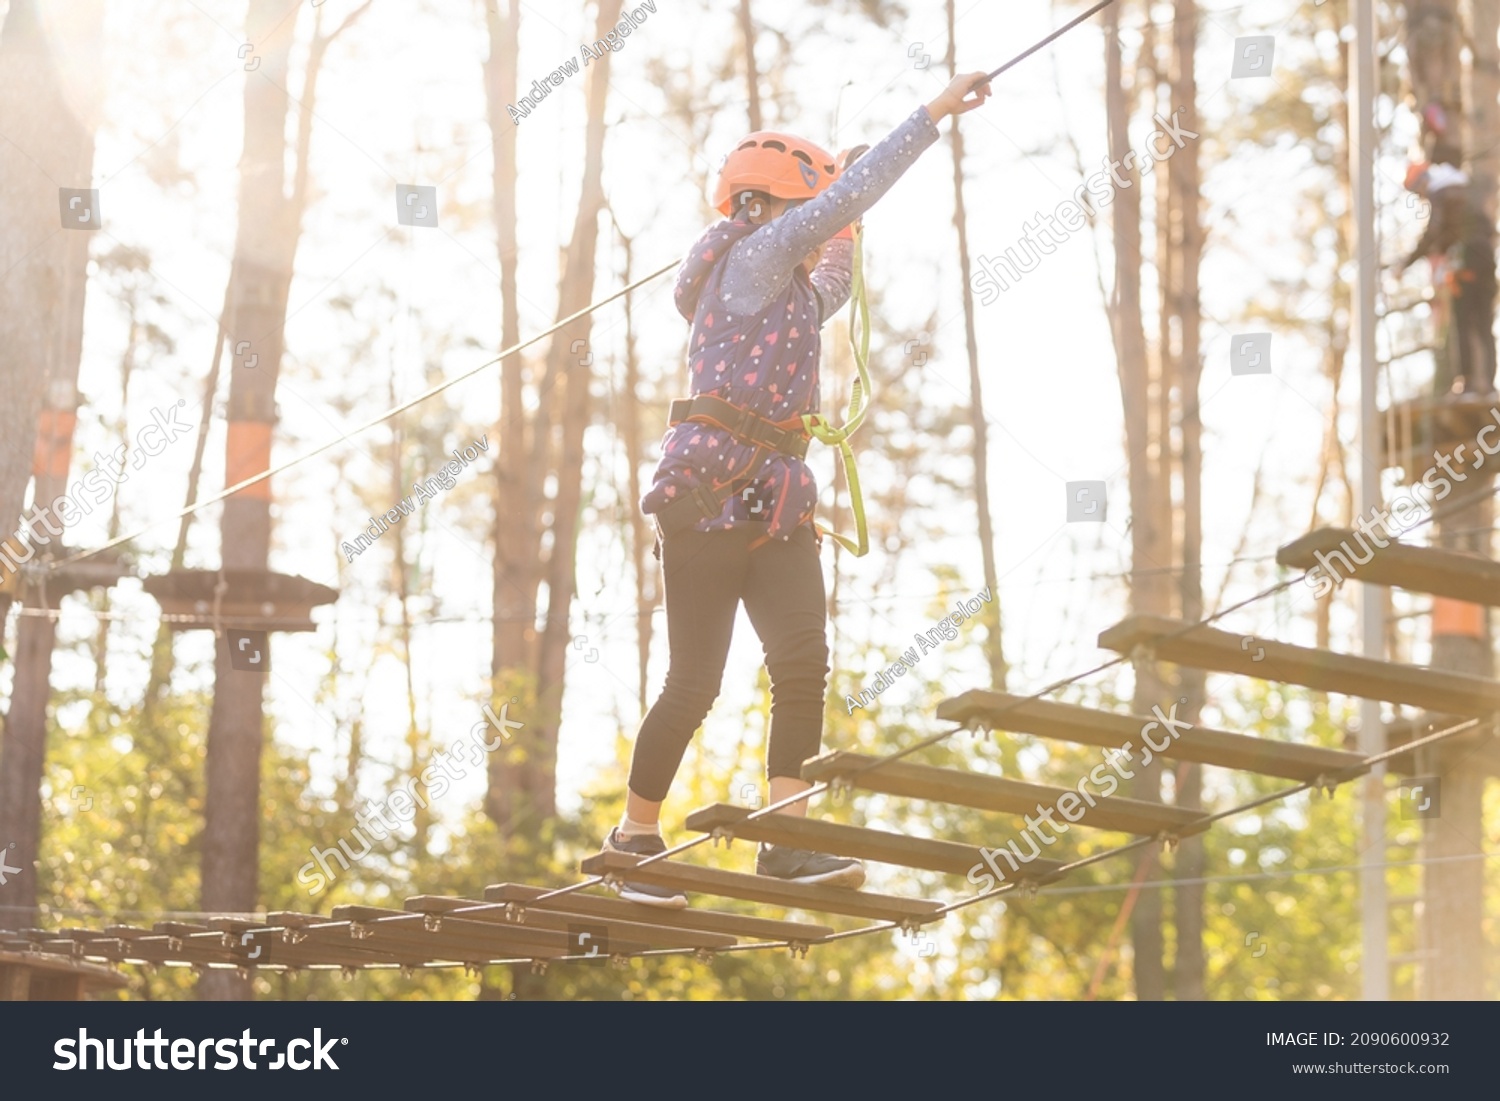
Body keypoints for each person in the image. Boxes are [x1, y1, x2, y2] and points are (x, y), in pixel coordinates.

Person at [598, 72, 995, 908]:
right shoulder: (753, 258)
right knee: (695, 683)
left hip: (776, 499)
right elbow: (851, 198)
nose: (819, 236)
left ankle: (783, 840)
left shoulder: (791, 286)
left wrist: (845, 214)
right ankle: (634, 836)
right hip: (707, 494)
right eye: (811, 217)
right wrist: (928, 115)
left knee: (803, 663)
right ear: (775, 205)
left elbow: (837, 277)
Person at [1399, 161, 1498, 395]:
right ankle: (1489, 384)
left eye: (1418, 190)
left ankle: (1468, 383)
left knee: (1462, 321)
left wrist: (1406, 262)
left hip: (1466, 261)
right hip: (1486, 260)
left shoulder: (1440, 193)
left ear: (1423, 181)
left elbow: (1434, 230)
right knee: (1484, 323)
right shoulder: (1466, 190)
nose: (1421, 196)